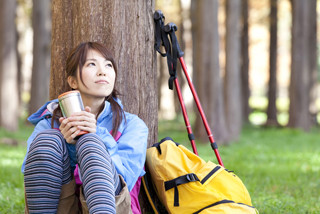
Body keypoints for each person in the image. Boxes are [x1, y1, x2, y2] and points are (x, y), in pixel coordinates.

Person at [22, 42, 148, 214]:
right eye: (91, 64)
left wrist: (95, 135)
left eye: (108, 65)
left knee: (90, 143)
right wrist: (70, 149)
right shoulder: (48, 124)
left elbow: (127, 178)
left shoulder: (133, 125)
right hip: (64, 207)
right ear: (72, 81)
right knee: (48, 140)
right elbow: (33, 177)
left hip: (113, 205)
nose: (102, 71)